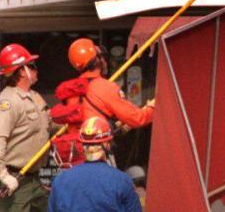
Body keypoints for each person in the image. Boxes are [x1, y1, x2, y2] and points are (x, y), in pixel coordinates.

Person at [0, 43, 51, 212]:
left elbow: (49, 124)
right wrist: (3, 175)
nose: (36, 70)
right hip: (14, 179)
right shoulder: (8, 102)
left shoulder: (35, 97)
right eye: (32, 66)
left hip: (34, 178)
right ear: (21, 71)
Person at [50, 38, 154, 166]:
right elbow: (137, 118)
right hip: (97, 156)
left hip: (74, 158)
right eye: (102, 57)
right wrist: (152, 108)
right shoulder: (105, 87)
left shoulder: (72, 90)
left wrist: (118, 126)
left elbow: (87, 120)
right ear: (98, 60)